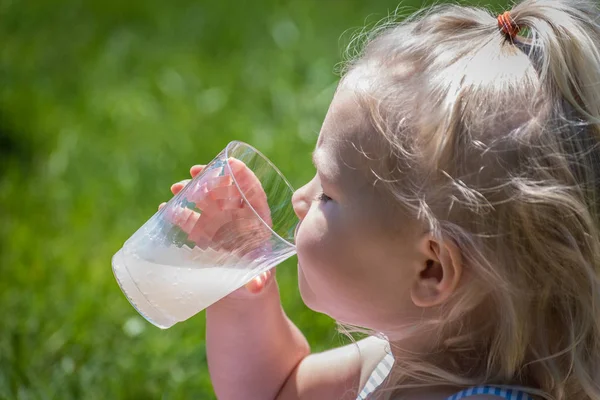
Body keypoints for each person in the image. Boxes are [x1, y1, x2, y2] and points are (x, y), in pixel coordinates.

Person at [162, 0, 600, 398]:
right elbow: (275, 390)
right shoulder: (405, 357)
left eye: (327, 193)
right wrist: (244, 292)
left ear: (431, 269)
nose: (299, 198)